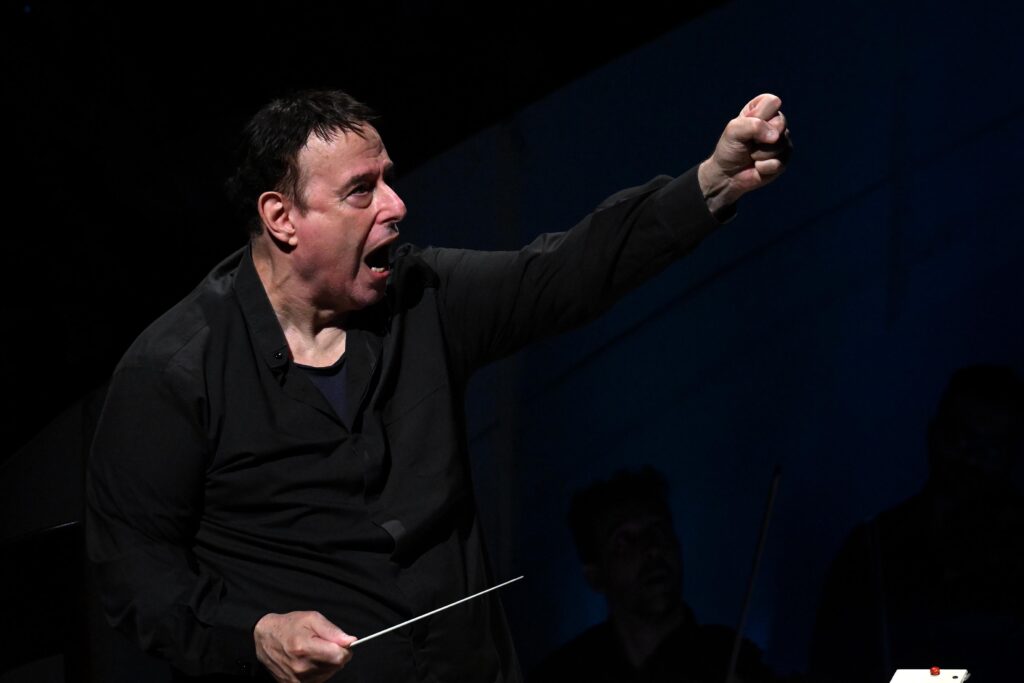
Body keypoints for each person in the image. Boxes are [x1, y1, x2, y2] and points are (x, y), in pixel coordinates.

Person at [85, 88, 791, 682]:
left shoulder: (422, 299)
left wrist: (713, 183)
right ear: (282, 219)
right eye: (361, 191)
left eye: (388, 178)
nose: (395, 205)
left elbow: (564, 272)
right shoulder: (175, 370)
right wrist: (256, 632)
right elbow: (133, 573)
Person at [808, 364, 1024, 682]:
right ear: (934, 434)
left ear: (1011, 455)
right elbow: (830, 664)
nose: (972, 457)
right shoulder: (873, 547)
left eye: (991, 446)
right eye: (960, 437)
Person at [529, 466, 778, 683]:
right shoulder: (564, 674)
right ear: (595, 576)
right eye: (624, 541)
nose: (652, 549)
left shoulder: (732, 660)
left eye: (659, 530)